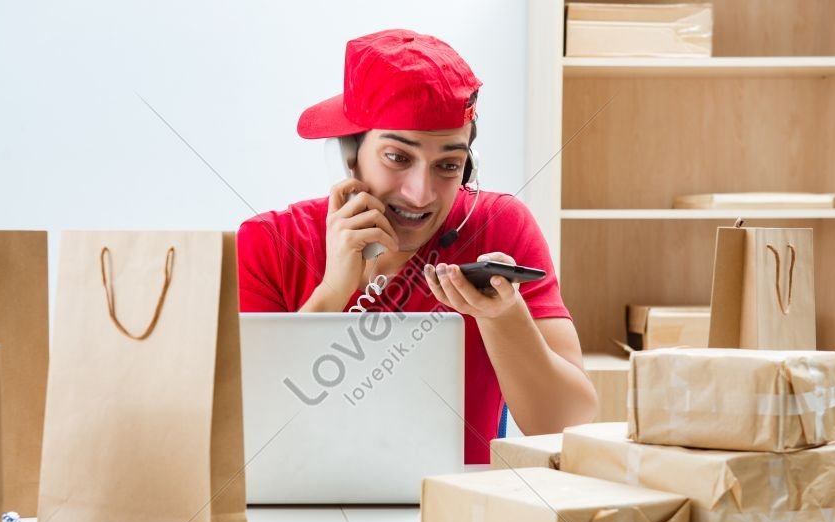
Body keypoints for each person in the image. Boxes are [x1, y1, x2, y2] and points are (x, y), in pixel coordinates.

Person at [237, 29, 596, 464]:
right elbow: (252, 429)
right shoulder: (268, 242)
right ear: (350, 155)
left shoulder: (501, 228)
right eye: (397, 157)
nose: (421, 193)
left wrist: (505, 317)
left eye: (448, 164)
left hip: (452, 508)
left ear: (468, 166)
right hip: (302, 516)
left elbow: (569, 427)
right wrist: (333, 291)